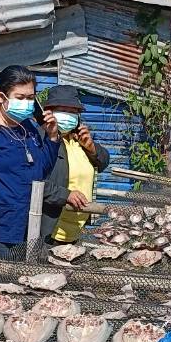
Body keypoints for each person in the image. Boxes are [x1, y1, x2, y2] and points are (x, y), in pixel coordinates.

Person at [0, 66, 61, 260]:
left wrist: (52, 137)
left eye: (31, 98)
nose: (26, 103)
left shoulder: (29, 128)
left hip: (28, 229)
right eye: (20, 97)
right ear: (1, 97)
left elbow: (41, 171)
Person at [41, 84, 111, 243]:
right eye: (63, 110)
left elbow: (104, 160)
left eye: (73, 112)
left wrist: (91, 148)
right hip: (51, 232)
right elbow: (35, 182)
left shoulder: (78, 139)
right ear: (49, 111)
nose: (68, 115)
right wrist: (66, 195)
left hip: (74, 233)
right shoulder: (42, 140)